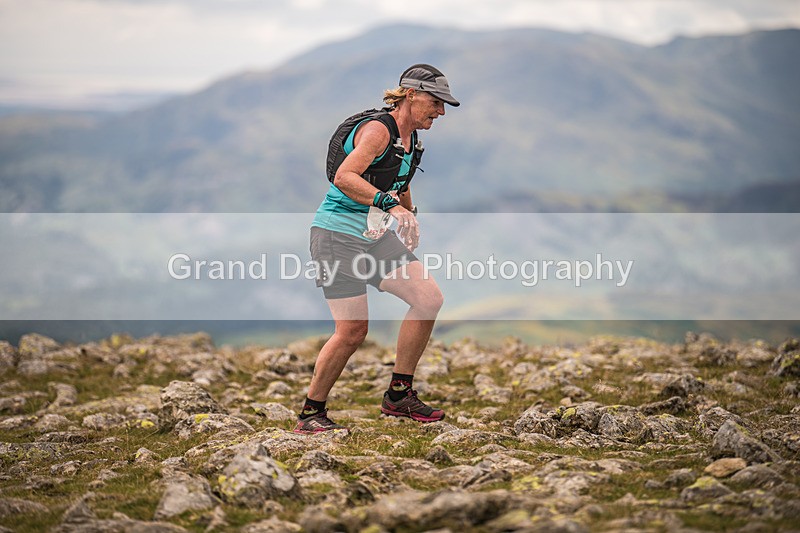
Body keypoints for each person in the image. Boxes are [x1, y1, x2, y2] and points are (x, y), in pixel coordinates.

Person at [294, 64, 460, 434]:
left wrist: (409, 214)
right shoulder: (377, 131)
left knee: (428, 298)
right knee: (352, 331)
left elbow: (399, 179)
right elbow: (344, 177)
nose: (441, 111)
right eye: (436, 102)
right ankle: (311, 414)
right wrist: (393, 208)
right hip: (336, 235)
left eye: (444, 105)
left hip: (373, 237)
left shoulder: (412, 138)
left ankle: (399, 396)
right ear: (411, 95)